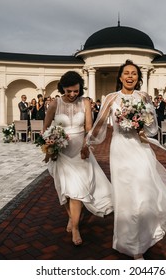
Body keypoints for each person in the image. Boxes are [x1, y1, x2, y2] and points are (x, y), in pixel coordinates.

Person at [86, 60, 166, 259]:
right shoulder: (110, 98)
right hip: (120, 150)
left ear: (138, 77)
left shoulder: (144, 97)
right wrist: (88, 141)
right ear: (120, 76)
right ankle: (130, 244)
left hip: (140, 148)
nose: (130, 76)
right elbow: (99, 125)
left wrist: (142, 127)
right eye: (127, 73)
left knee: (143, 190)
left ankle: (146, 235)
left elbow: (153, 128)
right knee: (125, 195)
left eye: (134, 73)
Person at [42, 71, 113, 246]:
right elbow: (45, 129)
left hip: (80, 151)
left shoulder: (86, 102)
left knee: (77, 192)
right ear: (62, 88)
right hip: (61, 153)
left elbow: (88, 128)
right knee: (66, 190)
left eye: (76, 91)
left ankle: (75, 228)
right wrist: (50, 146)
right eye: (69, 91)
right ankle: (73, 219)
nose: (73, 94)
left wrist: (86, 145)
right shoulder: (54, 104)